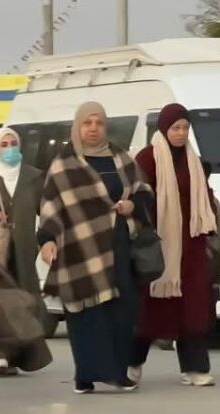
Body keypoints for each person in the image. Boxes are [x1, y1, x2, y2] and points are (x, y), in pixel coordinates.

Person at [38, 102, 152, 395]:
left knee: (123, 309)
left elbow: (144, 192)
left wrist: (132, 206)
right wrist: (47, 240)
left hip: (118, 244)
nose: (93, 128)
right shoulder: (64, 164)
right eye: (87, 123)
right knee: (86, 311)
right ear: (77, 127)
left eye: (98, 123)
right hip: (79, 247)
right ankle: (87, 375)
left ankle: (116, 370)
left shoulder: (121, 158)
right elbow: (51, 206)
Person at [128, 104, 219, 387]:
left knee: (194, 307)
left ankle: (195, 368)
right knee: (150, 307)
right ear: (164, 129)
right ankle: (132, 363)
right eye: (175, 128)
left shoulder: (194, 161)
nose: (180, 134)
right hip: (160, 246)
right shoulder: (147, 159)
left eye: (185, 128)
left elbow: (205, 197)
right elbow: (139, 198)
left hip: (191, 246)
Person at [0, 126, 52, 377]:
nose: (10, 149)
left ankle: (25, 354)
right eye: (4, 144)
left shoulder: (33, 177)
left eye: (13, 144)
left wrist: (48, 240)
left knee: (25, 299)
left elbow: (47, 211)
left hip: (24, 248)